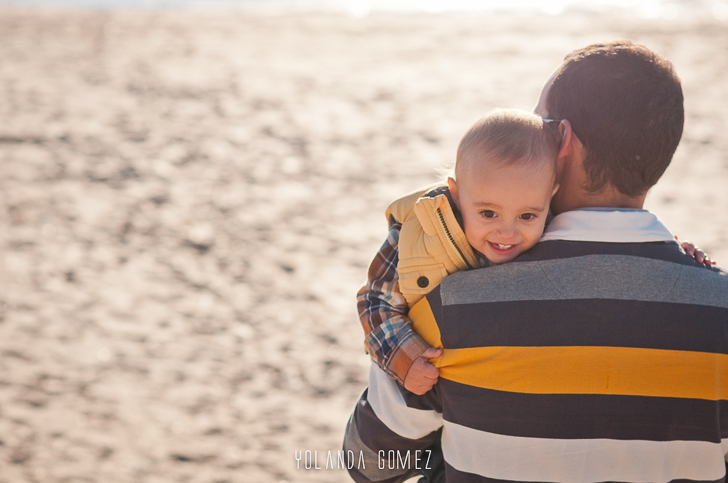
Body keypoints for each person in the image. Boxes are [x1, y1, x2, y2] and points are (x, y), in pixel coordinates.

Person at [344, 40, 728, 483]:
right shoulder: (718, 311)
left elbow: (366, 463)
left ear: (561, 141)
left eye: (539, 125)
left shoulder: (453, 309)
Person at [357, 108, 560, 396]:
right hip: (424, 378)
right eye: (488, 213)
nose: (506, 233)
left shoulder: (558, 237)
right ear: (456, 193)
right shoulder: (418, 229)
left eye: (527, 216)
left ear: (550, 197)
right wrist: (403, 357)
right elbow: (375, 299)